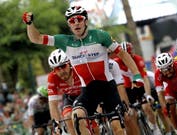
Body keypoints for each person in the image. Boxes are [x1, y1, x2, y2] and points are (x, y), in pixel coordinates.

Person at [22, 6, 144, 135]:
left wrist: (136, 75)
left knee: (117, 128)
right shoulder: (64, 41)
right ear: (69, 25)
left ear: (85, 21)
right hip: (88, 90)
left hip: (107, 88)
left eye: (79, 19)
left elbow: (123, 54)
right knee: (76, 117)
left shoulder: (100, 35)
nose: (76, 23)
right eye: (72, 21)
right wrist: (29, 24)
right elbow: (37, 38)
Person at [110, 41, 162, 135]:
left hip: (140, 86)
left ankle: (155, 128)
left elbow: (145, 78)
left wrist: (148, 94)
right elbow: (119, 86)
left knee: (146, 107)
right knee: (131, 114)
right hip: (128, 89)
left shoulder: (138, 59)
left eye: (130, 55)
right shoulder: (116, 63)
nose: (128, 58)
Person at [47, 49, 81, 135]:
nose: (61, 71)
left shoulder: (78, 69)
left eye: (63, 66)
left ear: (69, 63)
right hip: (70, 97)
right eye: (57, 69)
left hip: (85, 94)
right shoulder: (52, 77)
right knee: (67, 116)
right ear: (54, 70)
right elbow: (52, 104)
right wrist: (56, 125)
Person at [155, 52, 177, 135]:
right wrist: (165, 108)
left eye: (169, 69)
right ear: (160, 69)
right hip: (170, 88)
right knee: (170, 108)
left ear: (172, 64)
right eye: (164, 70)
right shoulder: (158, 74)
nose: (168, 72)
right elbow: (160, 93)